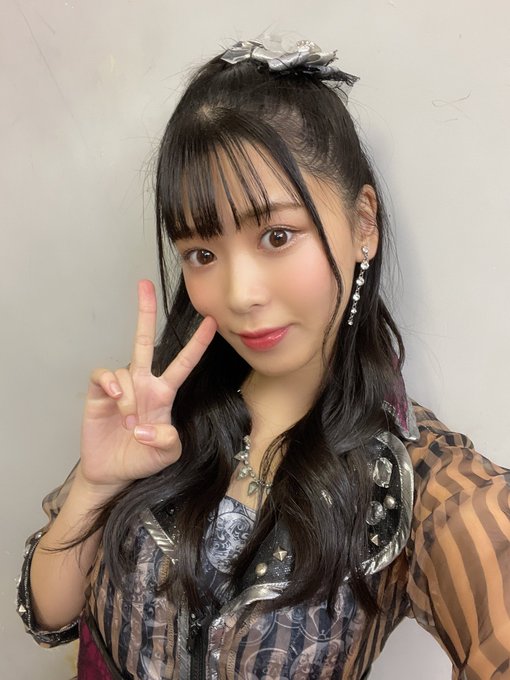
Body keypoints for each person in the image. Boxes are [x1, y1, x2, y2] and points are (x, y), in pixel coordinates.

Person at [17, 37, 510, 679]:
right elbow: (50, 616)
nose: (239, 295)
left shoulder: (416, 481)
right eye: (202, 254)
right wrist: (97, 483)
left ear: (363, 224)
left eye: (277, 236)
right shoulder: (160, 411)